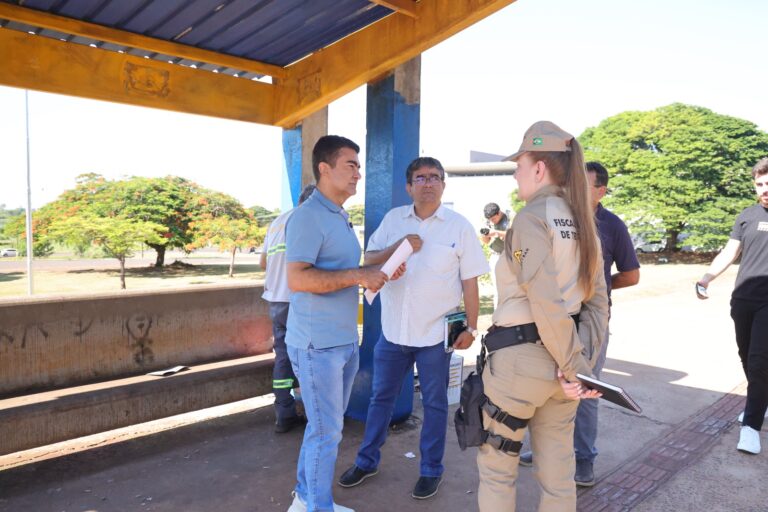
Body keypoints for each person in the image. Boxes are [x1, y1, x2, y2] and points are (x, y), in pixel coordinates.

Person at [337, 157, 489, 499]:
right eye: (420, 177)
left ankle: (431, 469)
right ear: (409, 187)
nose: (428, 183)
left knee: (435, 404)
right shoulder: (393, 220)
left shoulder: (458, 226)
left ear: (443, 185)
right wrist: (398, 246)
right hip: (394, 332)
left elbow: (470, 282)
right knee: (380, 399)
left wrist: (472, 327)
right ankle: (367, 460)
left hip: (436, 335)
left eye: (435, 177)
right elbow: (370, 258)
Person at [476, 121, 608, 511]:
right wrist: (579, 367)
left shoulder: (531, 218)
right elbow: (597, 304)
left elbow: (544, 298)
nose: (515, 173)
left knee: (498, 470)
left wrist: (572, 369)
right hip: (565, 370)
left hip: (521, 365)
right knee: (558, 478)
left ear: (538, 168)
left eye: (519, 165)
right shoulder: (586, 222)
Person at [284, 135, 390, 512]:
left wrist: (369, 273)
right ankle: (318, 507)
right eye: (351, 165)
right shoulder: (309, 216)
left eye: (359, 166)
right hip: (317, 345)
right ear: (324, 169)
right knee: (327, 433)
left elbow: (345, 271)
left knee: (324, 430)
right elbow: (297, 279)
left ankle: (305, 497)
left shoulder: (337, 215)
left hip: (341, 340)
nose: (359, 174)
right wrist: (358, 275)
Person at [518, 161, 640, 485]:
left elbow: (631, 274)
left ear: (601, 191)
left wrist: (598, 286)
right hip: (551, 321)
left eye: (584, 186)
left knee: (585, 391)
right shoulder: (554, 219)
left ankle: (583, 460)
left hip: (589, 325)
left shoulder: (612, 226)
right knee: (547, 389)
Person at [696, 157, 768, 455]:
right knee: (746, 354)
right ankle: (759, 402)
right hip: (743, 299)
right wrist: (706, 277)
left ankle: (750, 426)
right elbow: (730, 251)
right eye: (760, 184)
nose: (764, 189)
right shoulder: (747, 215)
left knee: (759, 360)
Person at [260, 184, 316, 433]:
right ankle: (318, 416)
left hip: (275, 301)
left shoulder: (277, 222)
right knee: (310, 358)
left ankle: (284, 413)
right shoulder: (309, 220)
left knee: (283, 357)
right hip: (299, 301)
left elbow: (263, 262)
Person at [481, 203, 510, 306]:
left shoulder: (510, 218)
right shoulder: (488, 222)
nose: (491, 221)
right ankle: (497, 317)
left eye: (493, 219)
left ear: (499, 213)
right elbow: (486, 241)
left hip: (510, 255)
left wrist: (496, 232)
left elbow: (515, 233)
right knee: (497, 289)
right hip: (495, 256)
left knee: (514, 287)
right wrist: (485, 234)